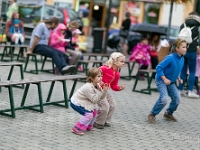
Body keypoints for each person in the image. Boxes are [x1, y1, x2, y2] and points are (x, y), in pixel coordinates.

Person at [148, 39, 186, 124]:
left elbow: (177, 70)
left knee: (177, 99)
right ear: (177, 48)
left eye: (186, 47)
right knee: (164, 99)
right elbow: (159, 68)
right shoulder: (170, 57)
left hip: (171, 82)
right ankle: (152, 114)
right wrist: (164, 79)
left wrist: (179, 78)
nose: (185, 48)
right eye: (183, 47)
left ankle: (168, 113)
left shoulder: (182, 59)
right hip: (161, 80)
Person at [70, 67, 109, 135]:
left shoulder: (97, 85)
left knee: (94, 112)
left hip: (84, 102)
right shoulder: (88, 87)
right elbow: (94, 100)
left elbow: (101, 97)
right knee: (88, 115)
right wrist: (100, 91)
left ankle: (88, 126)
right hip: (76, 102)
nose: (101, 78)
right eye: (98, 76)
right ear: (92, 78)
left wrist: (104, 90)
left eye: (101, 76)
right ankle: (76, 128)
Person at [94, 52, 126, 129]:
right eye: (121, 62)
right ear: (115, 62)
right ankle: (98, 122)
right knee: (105, 106)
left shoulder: (117, 73)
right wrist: (99, 82)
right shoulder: (105, 68)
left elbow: (113, 86)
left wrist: (119, 88)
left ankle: (105, 120)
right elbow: (94, 74)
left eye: (123, 62)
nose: (123, 63)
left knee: (112, 105)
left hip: (105, 90)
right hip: (97, 89)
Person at [178, 12, 200, 98]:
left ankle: (180, 90)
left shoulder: (183, 25)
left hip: (183, 49)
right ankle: (190, 91)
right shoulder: (198, 26)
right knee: (192, 71)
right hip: (192, 50)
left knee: (183, 71)